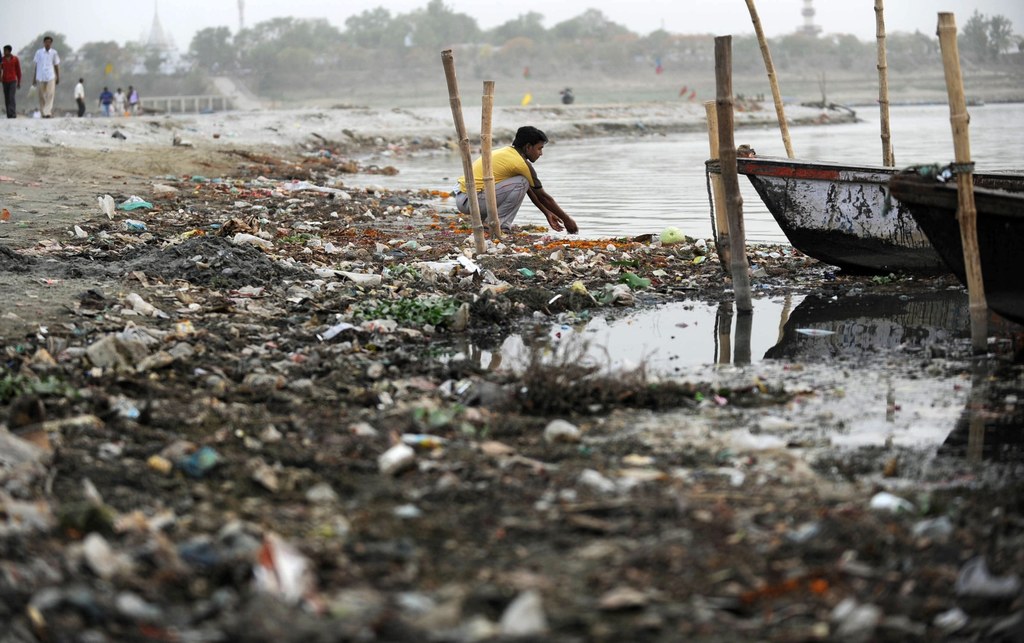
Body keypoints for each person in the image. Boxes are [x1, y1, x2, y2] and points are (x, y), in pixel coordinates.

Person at [455, 125, 577, 234]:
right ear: (528, 147)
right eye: (539, 149)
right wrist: (567, 220)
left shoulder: (508, 152)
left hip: (464, 198)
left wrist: (547, 213)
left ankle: (492, 222)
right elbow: (543, 197)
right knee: (521, 182)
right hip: (471, 201)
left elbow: (530, 190)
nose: (541, 153)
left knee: (522, 182)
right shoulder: (521, 163)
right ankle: (497, 224)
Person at [32, 35, 60, 118]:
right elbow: (36, 65)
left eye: (49, 42)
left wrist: (58, 76)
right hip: (40, 76)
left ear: (51, 43)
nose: (48, 44)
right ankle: (43, 112)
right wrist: (34, 78)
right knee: (41, 95)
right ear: (44, 43)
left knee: (50, 94)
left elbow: (56, 65)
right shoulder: (38, 52)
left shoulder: (54, 53)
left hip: (51, 76)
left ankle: (47, 112)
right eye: (46, 42)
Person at [1, 45, 21, 118]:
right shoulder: (2, 60)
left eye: (6, 50)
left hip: (13, 80)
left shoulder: (15, 59)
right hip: (4, 80)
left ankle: (13, 113)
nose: (4, 52)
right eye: (4, 50)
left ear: (9, 51)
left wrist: (19, 81)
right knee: (7, 97)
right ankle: (9, 114)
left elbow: (18, 71)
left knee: (11, 97)